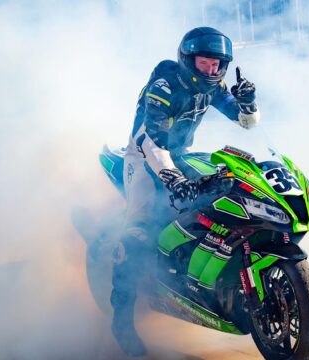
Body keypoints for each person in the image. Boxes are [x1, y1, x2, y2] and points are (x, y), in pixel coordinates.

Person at [110, 26, 260, 356]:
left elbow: (246, 123)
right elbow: (154, 142)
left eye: (217, 65)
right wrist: (175, 180)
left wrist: (248, 104)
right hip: (144, 156)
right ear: (187, 60)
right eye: (204, 64)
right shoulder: (164, 85)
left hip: (180, 155)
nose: (211, 71)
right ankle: (121, 322)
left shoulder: (215, 85)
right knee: (134, 234)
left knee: (224, 193)